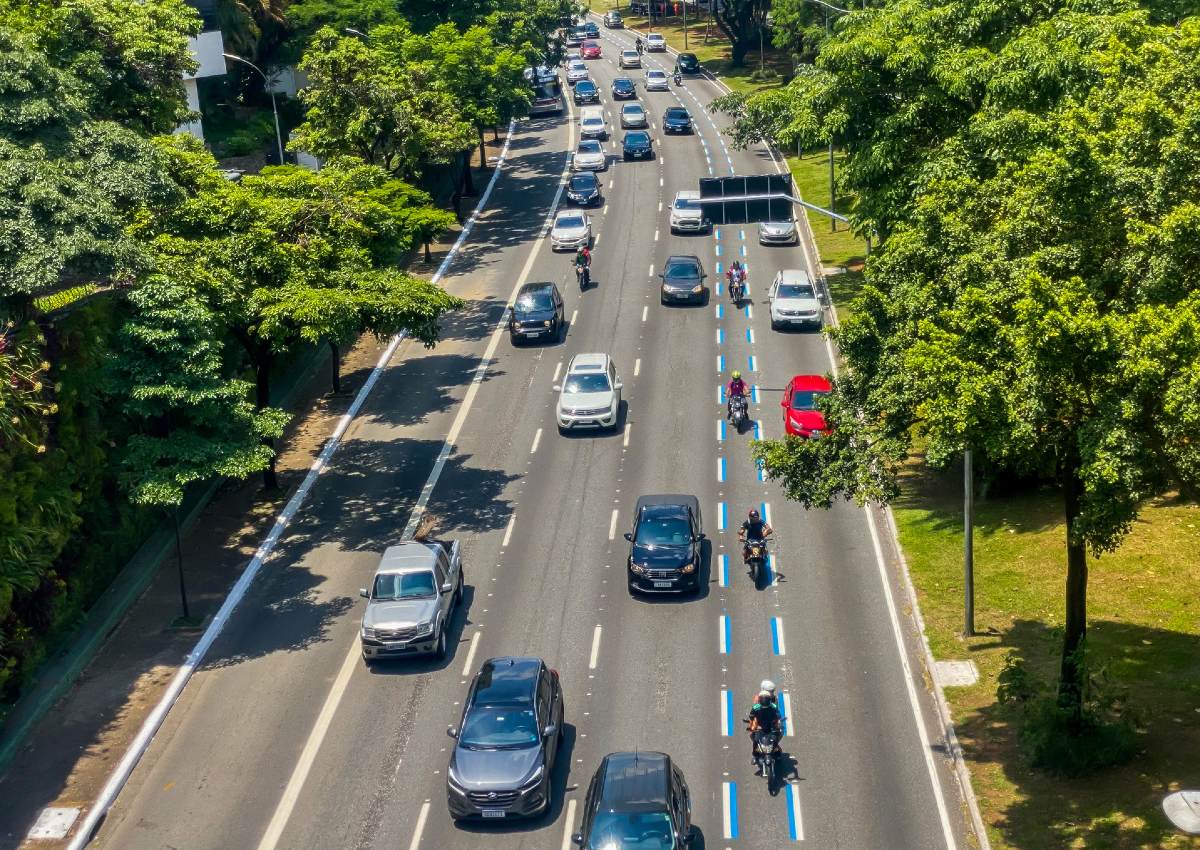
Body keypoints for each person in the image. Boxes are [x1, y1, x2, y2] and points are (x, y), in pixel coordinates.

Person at [745, 680, 782, 771]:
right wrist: (753, 726)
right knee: (755, 738)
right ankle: (755, 755)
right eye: (771, 691)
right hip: (760, 723)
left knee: (779, 734)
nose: (773, 693)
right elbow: (754, 714)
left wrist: (777, 721)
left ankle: (776, 748)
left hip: (771, 722)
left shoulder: (774, 700)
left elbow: (777, 711)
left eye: (773, 691)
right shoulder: (758, 700)